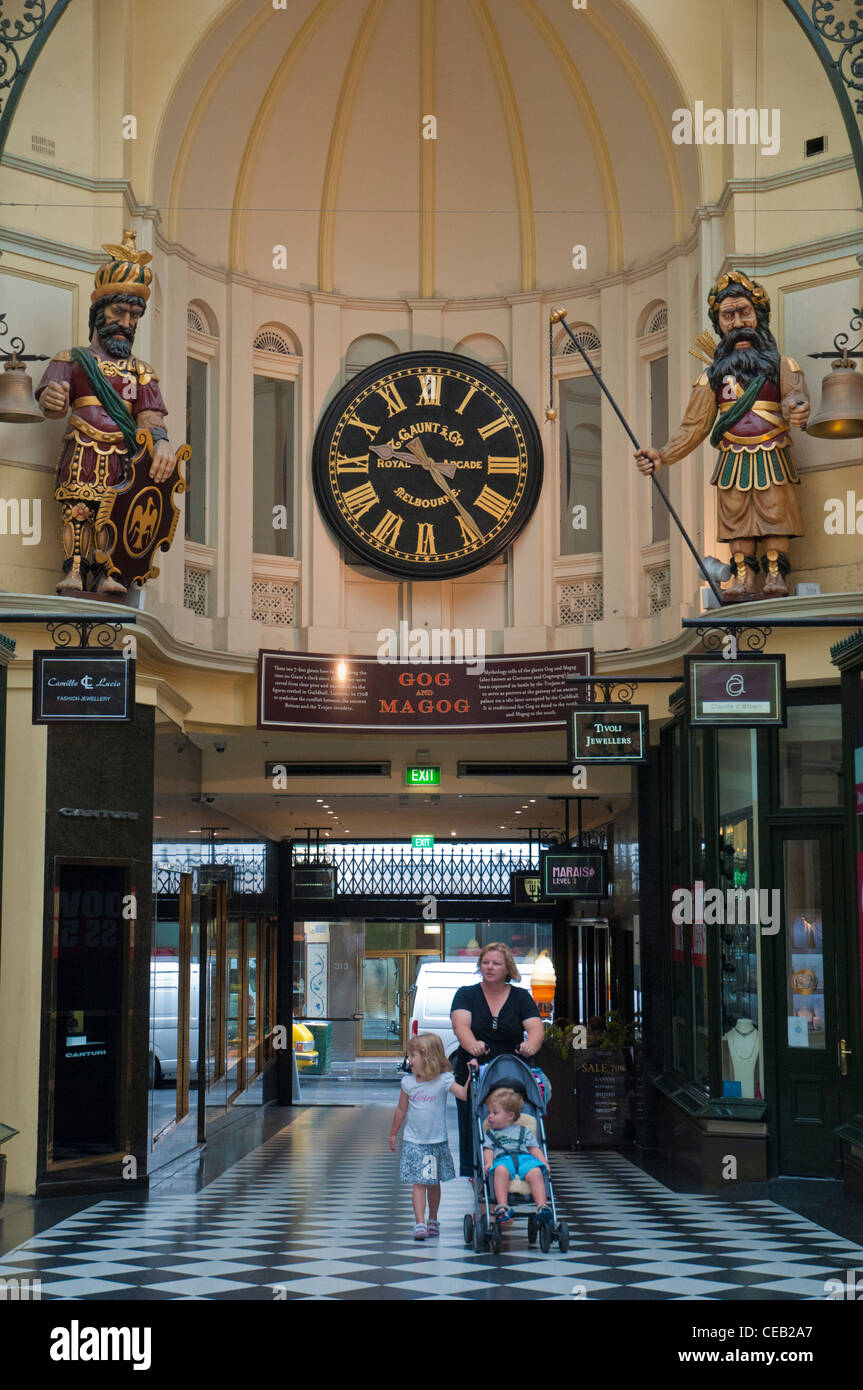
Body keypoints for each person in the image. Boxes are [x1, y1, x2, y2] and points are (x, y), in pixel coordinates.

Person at [634, 269, 810, 602]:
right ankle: (742, 578)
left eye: (745, 312)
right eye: (728, 316)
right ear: (720, 325)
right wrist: (662, 455)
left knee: (775, 511)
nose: (738, 322)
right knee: (736, 518)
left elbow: (794, 396)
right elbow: (694, 427)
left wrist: (797, 407)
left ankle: (776, 573)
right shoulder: (710, 378)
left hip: (772, 452)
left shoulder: (782, 365)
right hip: (732, 458)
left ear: (758, 316)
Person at [36, 229, 177, 595]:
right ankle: (74, 572)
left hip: (123, 455)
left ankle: (112, 572)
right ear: (99, 312)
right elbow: (51, 402)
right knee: (78, 509)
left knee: (113, 514)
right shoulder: (72, 359)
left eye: (134, 316)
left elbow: (150, 416)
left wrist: (161, 444)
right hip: (82, 445)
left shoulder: (140, 370)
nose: (127, 324)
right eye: (119, 312)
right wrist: (51, 399)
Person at [450, 942, 544, 1178]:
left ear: (507, 968)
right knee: (474, 1128)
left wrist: (531, 1044)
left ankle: (516, 1173)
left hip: (511, 1073)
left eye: (496, 963)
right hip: (475, 1072)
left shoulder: (521, 997)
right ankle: (478, 1183)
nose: (489, 967)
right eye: (485, 962)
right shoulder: (466, 994)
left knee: (516, 1120)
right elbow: (461, 1025)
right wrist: (472, 1045)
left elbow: (535, 1027)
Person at [389, 1032, 473, 1241]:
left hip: (436, 1141)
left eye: (413, 1056)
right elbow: (401, 1110)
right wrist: (393, 1133)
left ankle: (433, 1218)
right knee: (419, 1183)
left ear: (428, 1058)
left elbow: (463, 1094)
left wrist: (471, 1075)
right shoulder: (408, 1083)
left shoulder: (444, 1080)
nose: (409, 1060)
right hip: (414, 1141)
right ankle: (419, 1222)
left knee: (434, 1183)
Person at [483, 1086, 551, 1225]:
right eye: (489, 1112)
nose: (489, 1116)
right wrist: (489, 1162)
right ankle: (502, 1206)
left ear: (510, 1115)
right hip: (503, 1159)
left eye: (495, 1113)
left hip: (525, 1158)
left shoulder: (524, 1130)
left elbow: (534, 1148)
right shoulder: (491, 1134)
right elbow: (488, 1149)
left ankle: (542, 1206)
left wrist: (543, 1161)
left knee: (536, 1172)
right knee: (500, 1171)